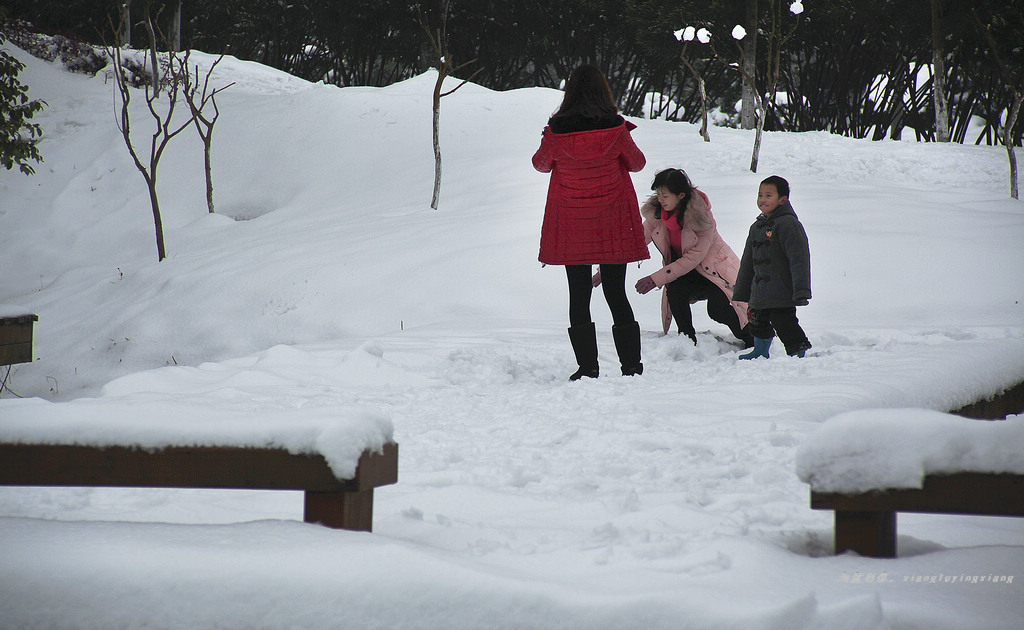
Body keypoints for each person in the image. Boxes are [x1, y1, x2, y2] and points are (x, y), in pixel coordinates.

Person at [532, 65, 649, 380]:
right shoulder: (616, 128)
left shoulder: (557, 130)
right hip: (613, 221)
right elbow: (638, 164)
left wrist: (548, 137)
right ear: (603, 92)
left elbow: (540, 165)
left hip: (573, 223)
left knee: (579, 294)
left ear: (570, 93)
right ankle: (631, 367)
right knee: (615, 292)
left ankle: (587, 368)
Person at [624, 168, 752, 347]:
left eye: (665, 195)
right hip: (686, 273)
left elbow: (692, 258)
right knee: (675, 290)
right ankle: (687, 340)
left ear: (681, 195)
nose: (660, 199)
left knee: (717, 310)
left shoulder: (702, 218)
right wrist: (604, 270)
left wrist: (655, 279)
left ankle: (752, 338)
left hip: (715, 272)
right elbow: (635, 241)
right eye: (658, 194)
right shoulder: (658, 214)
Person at [733, 175, 812, 359]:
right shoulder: (756, 227)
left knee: (784, 321)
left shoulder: (788, 225)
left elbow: (799, 259)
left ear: (782, 200)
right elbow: (747, 262)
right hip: (760, 290)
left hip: (782, 289)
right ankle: (760, 351)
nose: (762, 200)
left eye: (768, 195)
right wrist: (743, 290)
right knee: (757, 319)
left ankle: (797, 350)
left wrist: (801, 290)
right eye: (760, 195)